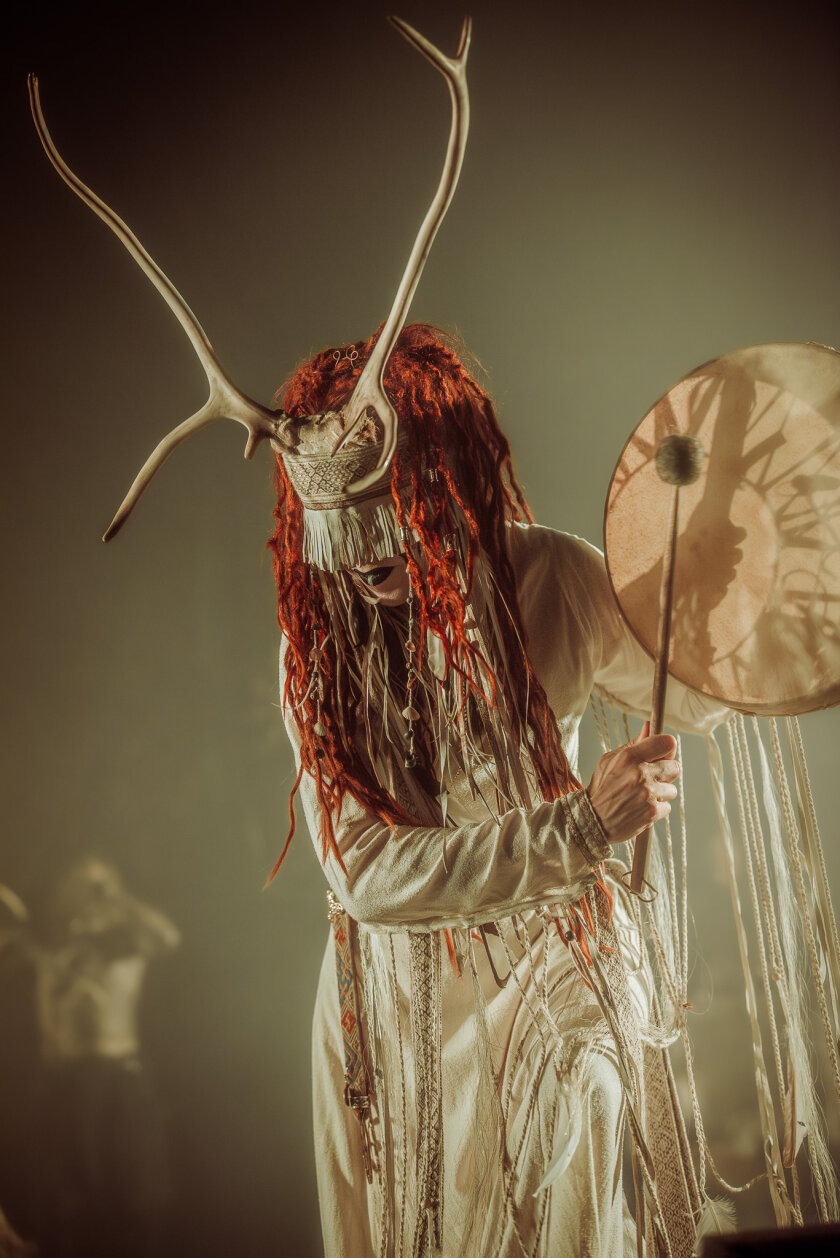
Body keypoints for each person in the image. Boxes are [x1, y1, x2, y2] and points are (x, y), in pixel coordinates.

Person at [268, 323, 725, 1257]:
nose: (364, 556)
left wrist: (724, 581)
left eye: (384, 510)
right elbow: (370, 873)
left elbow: (697, 689)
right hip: (396, 1003)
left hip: (551, 951)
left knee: (588, 1115)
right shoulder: (314, 654)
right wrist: (584, 825)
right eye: (341, 527)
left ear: (444, 482)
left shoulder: (551, 574)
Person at [7, 859, 179, 1258]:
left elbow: (166, 936)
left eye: (99, 886)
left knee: (134, 1198)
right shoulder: (44, 947)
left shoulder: (126, 945)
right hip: (61, 1086)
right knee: (65, 1202)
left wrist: (115, 896)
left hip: (118, 1084)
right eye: (80, 885)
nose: (88, 894)